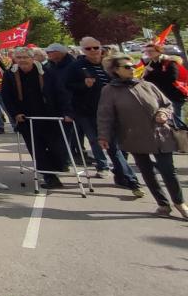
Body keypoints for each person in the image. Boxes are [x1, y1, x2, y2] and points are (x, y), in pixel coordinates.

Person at [98, 55, 187, 218]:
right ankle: (163, 204)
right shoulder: (109, 90)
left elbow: (166, 104)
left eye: (132, 66)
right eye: (127, 67)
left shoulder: (147, 85)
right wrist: (103, 136)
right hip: (134, 136)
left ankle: (180, 203)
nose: (132, 69)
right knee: (147, 172)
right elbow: (105, 115)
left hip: (161, 135)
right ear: (116, 70)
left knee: (168, 171)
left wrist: (163, 113)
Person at [67, 37, 142, 194]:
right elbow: (67, 86)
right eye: (88, 49)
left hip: (113, 111)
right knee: (103, 143)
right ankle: (129, 179)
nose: (93, 51)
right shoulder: (76, 66)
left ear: (101, 48)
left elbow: (124, 80)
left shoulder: (109, 64)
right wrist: (83, 85)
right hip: (88, 112)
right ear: (82, 50)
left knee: (118, 145)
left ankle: (121, 175)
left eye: (96, 47)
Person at [1, 48, 73, 189]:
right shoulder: (10, 74)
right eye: (19, 57)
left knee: (57, 146)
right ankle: (50, 177)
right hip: (27, 119)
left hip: (50, 116)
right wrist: (15, 113)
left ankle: (57, 167)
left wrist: (67, 112)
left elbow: (60, 92)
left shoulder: (46, 72)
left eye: (25, 57)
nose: (22, 60)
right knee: (37, 149)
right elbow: (7, 97)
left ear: (32, 58)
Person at [141, 44, 187, 128]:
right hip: (160, 96)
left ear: (159, 52)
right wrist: (146, 75)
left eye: (151, 51)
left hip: (174, 95)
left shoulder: (169, 62)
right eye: (146, 51)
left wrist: (153, 71)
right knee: (168, 121)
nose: (148, 53)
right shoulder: (150, 64)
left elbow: (172, 78)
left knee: (177, 121)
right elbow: (150, 80)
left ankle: (183, 138)